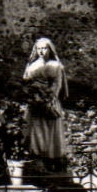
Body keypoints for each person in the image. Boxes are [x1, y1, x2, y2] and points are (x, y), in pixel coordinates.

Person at [22, 37, 68, 171]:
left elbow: (57, 84)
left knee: (51, 130)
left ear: (50, 49)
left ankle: (53, 160)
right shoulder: (32, 65)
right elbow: (27, 82)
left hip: (49, 102)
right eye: (39, 48)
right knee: (36, 130)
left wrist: (47, 98)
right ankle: (37, 157)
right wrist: (33, 95)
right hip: (35, 103)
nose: (41, 51)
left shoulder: (55, 66)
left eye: (44, 48)